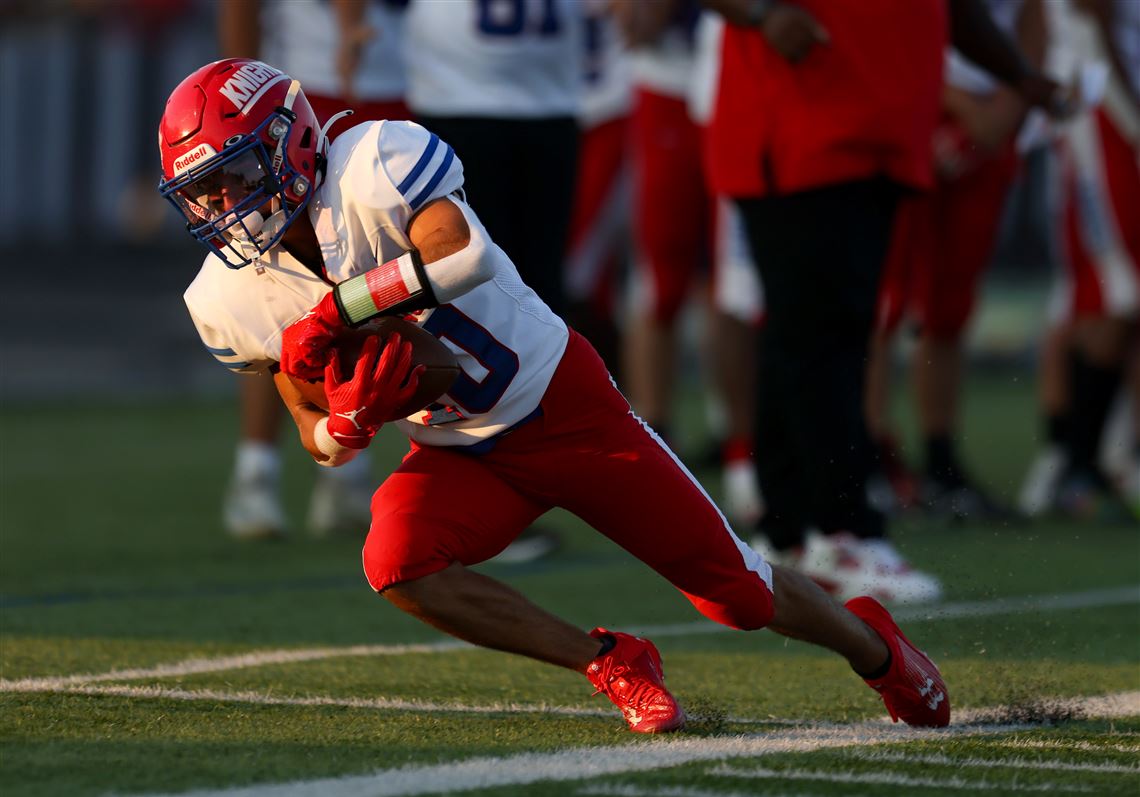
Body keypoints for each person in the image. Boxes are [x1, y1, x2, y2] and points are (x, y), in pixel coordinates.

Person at [158, 58, 951, 733]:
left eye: (233, 177)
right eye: (203, 193)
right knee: (396, 561)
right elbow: (311, 429)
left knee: (736, 593)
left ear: (290, 142)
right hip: (461, 450)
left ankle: (875, 648)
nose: (223, 206)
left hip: (563, 407)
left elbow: (463, 254)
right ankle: (609, 660)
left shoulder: (374, 159)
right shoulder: (228, 297)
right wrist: (347, 424)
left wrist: (338, 309)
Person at [703, 0, 1069, 602]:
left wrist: (1017, 75)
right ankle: (840, 530)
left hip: (877, 131)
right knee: (823, 337)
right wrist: (761, 14)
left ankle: (789, 530)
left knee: (821, 332)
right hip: (802, 122)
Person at [215, 0, 411, 539]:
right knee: (278, 289)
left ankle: (349, 474)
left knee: (381, 286)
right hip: (306, 93)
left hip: (404, 87)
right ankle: (257, 471)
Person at [864, 0, 1045, 521]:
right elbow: (889, 27)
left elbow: (1033, 19)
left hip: (992, 112)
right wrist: (960, 103)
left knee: (951, 303)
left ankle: (941, 458)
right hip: (913, 103)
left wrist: (1011, 101)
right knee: (884, 297)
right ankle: (871, 454)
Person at [1019, 0, 1139, 521]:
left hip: (1103, 112)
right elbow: (1093, 20)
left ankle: (1087, 457)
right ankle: (1078, 461)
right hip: (1103, 114)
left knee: (1104, 292)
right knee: (1119, 290)